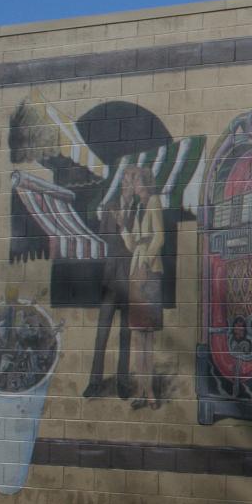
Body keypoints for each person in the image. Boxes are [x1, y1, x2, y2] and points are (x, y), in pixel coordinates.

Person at [120, 166, 165, 409]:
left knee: (148, 338)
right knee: (138, 338)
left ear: (145, 182)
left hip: (149, 271)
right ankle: (143, 391)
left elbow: (160, 237)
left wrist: (146, 262)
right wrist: (124, 230)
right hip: (136, 272)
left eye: (136, 180)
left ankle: (149, 394)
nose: (134, 185)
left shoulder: (155, 201)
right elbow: (133, 245)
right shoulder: (138, 207)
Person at [83, 199, 132, 399]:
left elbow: (138, 242)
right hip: (110, 279)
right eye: (127, 180)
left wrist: (124, 225)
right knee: (102, 334)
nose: (129, 185)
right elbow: (102, 234)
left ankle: (122, 382)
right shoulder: (110, 206)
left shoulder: (138, 209)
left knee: (125, 335)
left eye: (132, 181)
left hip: (130, 280)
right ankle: (94, 382)